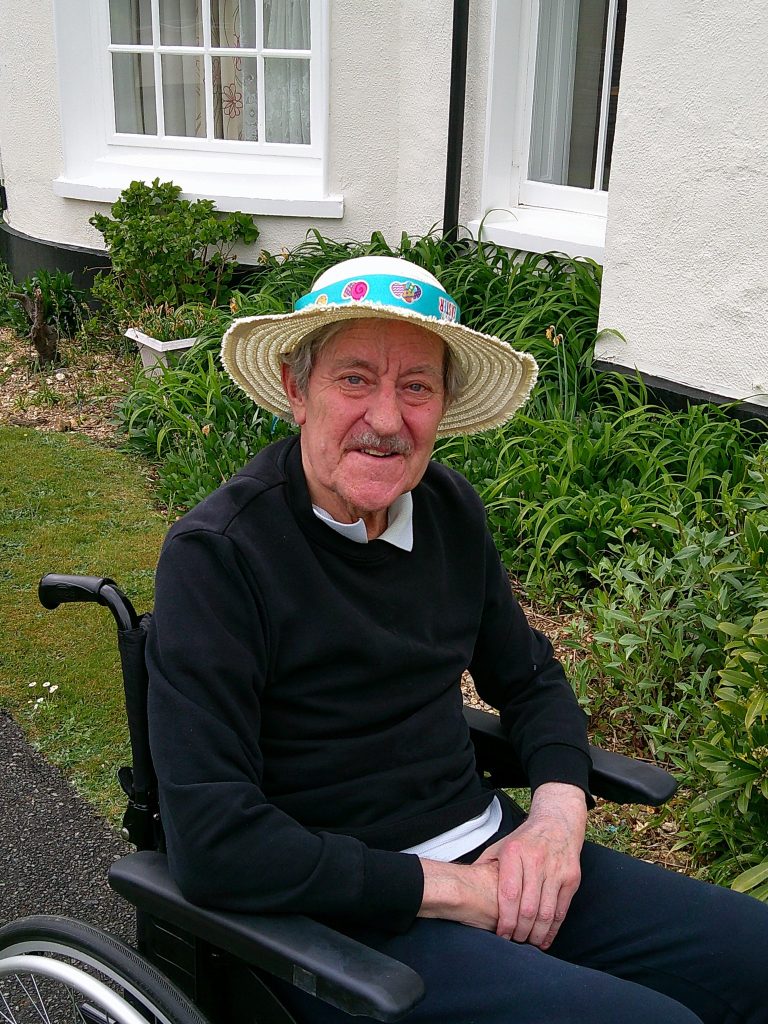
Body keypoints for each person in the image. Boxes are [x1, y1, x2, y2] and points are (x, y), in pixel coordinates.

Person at [147, 255, 768, 1024]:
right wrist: (445, 889)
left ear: (443, 405)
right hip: (342, 916)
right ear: (295, 388)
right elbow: (215, 841)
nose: (385, 418)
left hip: (499, 854)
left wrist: (555, 820)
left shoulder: (445, 508)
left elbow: (531, 678)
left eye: (416, 386)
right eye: (353, 379)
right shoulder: (221, 555)